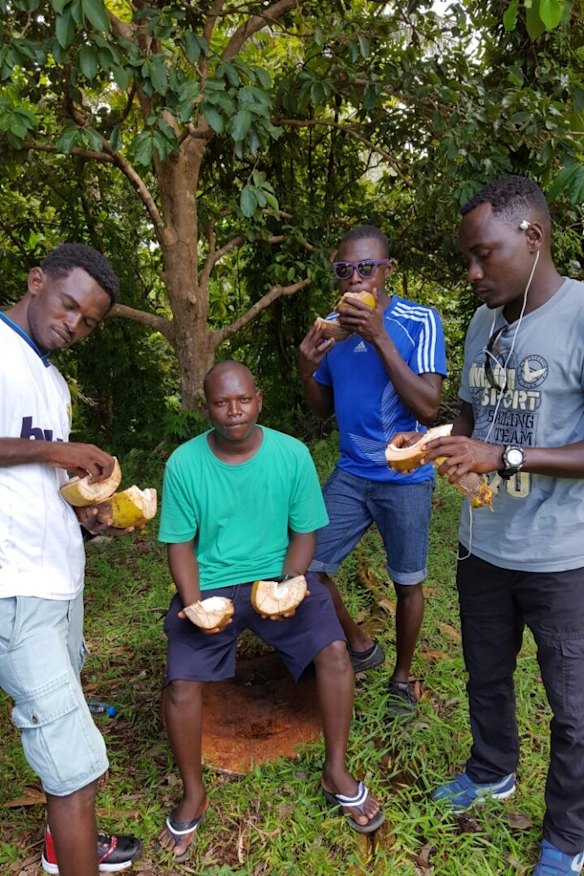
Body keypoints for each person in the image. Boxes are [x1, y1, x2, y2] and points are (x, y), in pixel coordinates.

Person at [414, 175, 584, 875]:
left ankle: (567, 841)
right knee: (485, 673)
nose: (472, 273)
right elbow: (469, 413)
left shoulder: (579, 316)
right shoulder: (486, 320)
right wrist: (448, 445)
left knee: (573, 711)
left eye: (484, 256)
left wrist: (503, 454)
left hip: (563, 555)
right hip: (484, 544)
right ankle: (492, 771)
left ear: (534, 239)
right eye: (468, 259)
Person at [157, 360, 384, 863]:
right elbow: (179, 544)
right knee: (180, 685)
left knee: (335, 653)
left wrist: (290, 584)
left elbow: (305, 533)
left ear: (259, 400)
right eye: (221, 402)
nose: (233, 411)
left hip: (280, 575)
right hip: (212, 584)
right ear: (206, 405)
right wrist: (193, 603)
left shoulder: (291, 454)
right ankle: (193, 793)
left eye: (242, 400)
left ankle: (337, 770)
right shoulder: (185, 463)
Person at [0, 243, 142, 875]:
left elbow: (34, 485)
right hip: (13, 584)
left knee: (68, 737)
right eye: (68, 306)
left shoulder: (51, 380)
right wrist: (61, 454)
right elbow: (42, 458)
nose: (74, 326)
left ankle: (66, 844)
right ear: (36, 279)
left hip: (59, 579)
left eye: (88, 321)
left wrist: (89, 516)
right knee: (74, 759)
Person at [297, 225, 447, 717]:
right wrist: (306, 368)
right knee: (306, 566)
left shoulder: (419, 321)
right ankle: (360, 645)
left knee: (407, 581)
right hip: (351, 472)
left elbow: (428, 408)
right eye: (344, 270)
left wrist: (379, 335)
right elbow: (321, 410)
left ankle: (402, 678)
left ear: (388, 272)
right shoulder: (332, 330)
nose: (355, 278)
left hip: (405, 475)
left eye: (366, 267)